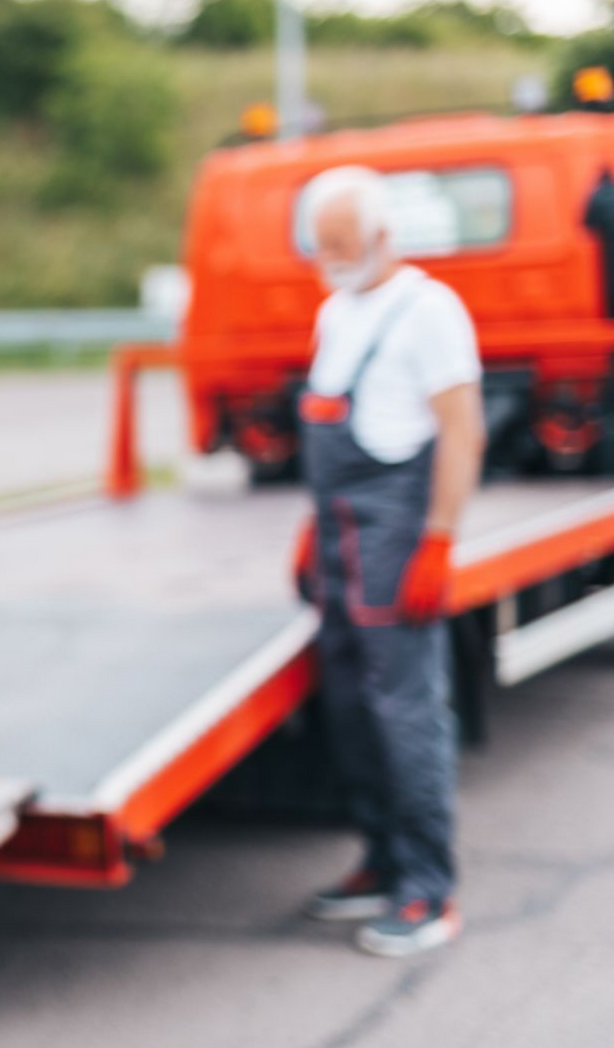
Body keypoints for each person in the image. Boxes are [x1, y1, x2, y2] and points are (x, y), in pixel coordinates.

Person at [290, 165, 485, 957]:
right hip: (339, 535)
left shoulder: (430, 311)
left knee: (404, 713)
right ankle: (379, 858)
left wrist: (439, 536)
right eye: (323, 246)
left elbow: (461, 428)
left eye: (345, 243)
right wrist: (312, 527)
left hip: (396, 533)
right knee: (349, 705)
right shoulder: (337, 312)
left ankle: (427, 890)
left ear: (381, 235)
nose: (334, 258)